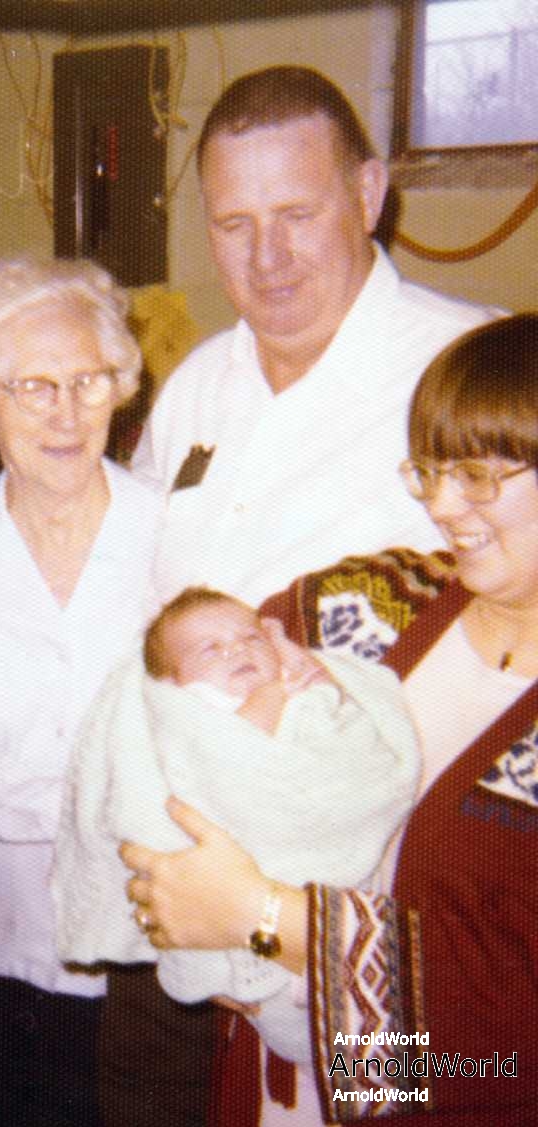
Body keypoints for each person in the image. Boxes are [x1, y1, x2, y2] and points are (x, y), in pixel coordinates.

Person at [0, 64, 497, 1126]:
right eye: (234, 223)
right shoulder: (199, 389)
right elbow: (102, 548)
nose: (268, 257)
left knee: (408, 1102)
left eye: (297, 214)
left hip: (353, 907)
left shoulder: (468, 369)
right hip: (164, 918)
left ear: (368, 193)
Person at [122, 312, 538, 1125]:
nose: (443, 505)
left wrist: (264, 917)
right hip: (274, 1095)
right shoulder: (378, 602)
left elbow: (514, 1036)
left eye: (477, 474)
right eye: (429, 471)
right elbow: (169, 677)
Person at [0, 253, 161, 1127]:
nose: (66, 413)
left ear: (119, 386)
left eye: (88, 380)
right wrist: (104, 797)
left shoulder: (171, 534)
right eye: (33, 387)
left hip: (134, 953)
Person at [52, 586, 419, 1065]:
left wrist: (307, 686)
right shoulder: (195, 708)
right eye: (210, 650)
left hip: (316, 892)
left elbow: (351, 744)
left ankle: (356, 1045)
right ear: (173, 679)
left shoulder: (296, 682)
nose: (237, 652)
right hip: (239, 897)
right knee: (317, 1033)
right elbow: (232, 752)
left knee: (364, 1043)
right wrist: (274, 692)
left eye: (251, 639)